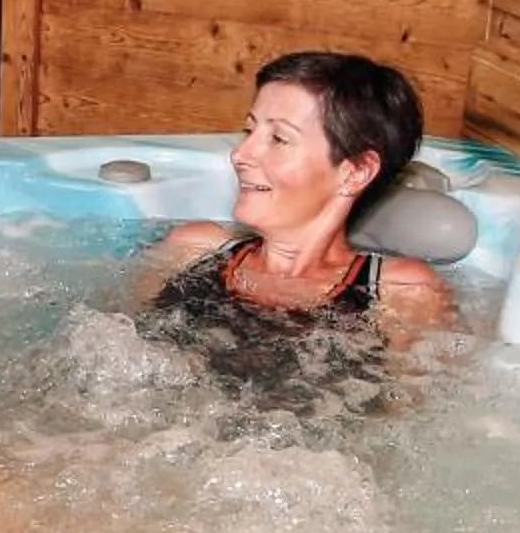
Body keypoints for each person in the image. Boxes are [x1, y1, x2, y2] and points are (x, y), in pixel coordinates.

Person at [138, 51, 455, 332]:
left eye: (278, 139)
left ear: (356, 171)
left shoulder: (399, 290)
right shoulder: (192, 250)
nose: (240, 154)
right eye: (249, 130)